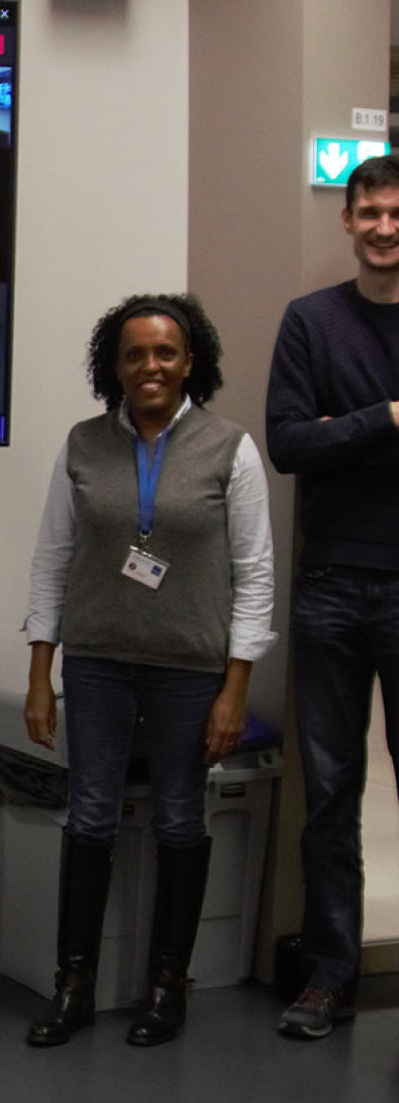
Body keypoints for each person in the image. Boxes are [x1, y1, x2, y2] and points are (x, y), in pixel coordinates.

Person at [24, 293, 272, 1047]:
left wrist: (235, 688)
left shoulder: (231, 448)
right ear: (115, 366)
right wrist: (40, 673)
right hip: (97, 664)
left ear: (190, 361)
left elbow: (255, 574)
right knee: (90, 816)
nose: (150, 366)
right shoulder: (82, 443)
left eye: (165, 352)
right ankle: (74, 987)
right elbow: (52, 559)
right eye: (134, 354)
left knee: (180, 819)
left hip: (188, 670)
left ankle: (168, 987)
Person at [266, 153, 399, 1039]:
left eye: (397, 213)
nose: (386, 227)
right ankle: (330, 974)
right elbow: (286, 443)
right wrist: (384, 420)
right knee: (330, 791)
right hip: (331, 588)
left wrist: (337, 432)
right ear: (347, 221)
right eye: (372, 212)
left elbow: (318, 440)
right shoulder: (311, 321)